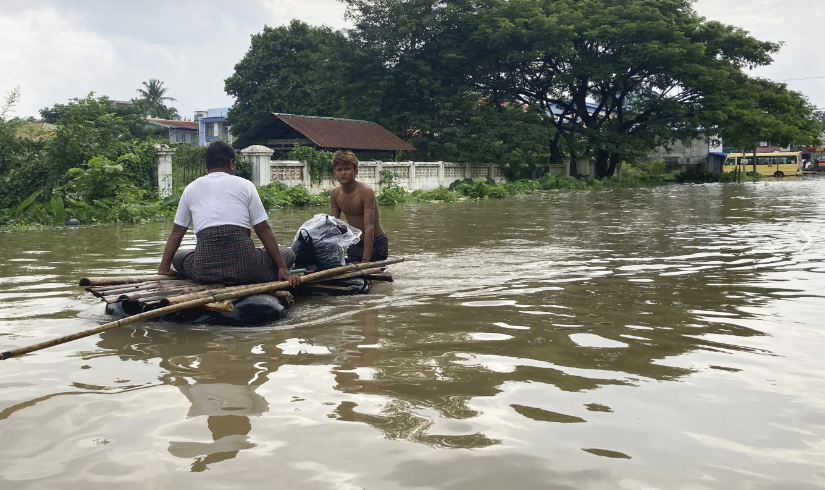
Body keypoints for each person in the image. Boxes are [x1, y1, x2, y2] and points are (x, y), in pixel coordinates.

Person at [157, 141, 300, 287]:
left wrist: (164, 269)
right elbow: (263, 228)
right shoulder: (246, 185)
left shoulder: (190, 189)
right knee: (289, 253)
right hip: (246, 270)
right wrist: (282, 268)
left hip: (205, 272)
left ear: (207, 167)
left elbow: (176, 233)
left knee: (180, 257)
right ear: (232, 163)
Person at [329, 150, 389, 263]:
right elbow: (334, 226)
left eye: (347, 169)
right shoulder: (335, 194)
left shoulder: (366, 192)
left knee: (372, 276)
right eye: (339, 169)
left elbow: (369, 227)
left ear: (356, 171)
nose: (343, 173)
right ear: (335, 173)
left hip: (376, 242)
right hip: (355, 242)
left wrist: (365, 260)